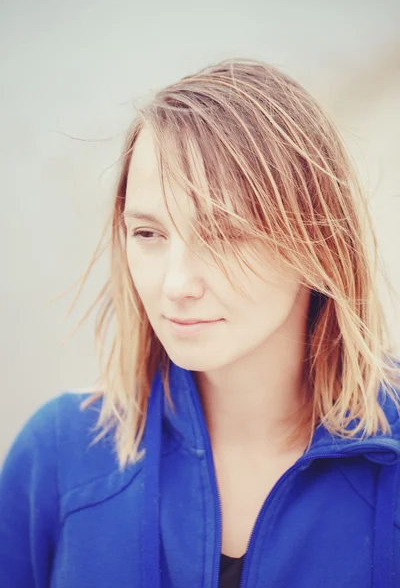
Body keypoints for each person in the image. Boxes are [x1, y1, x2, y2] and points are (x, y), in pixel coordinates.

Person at [1, 58, 400, 588]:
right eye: (148, 233)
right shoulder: (60, 453)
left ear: (317, 242)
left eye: (225, 234)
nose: (176, 283)